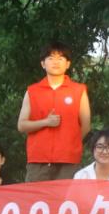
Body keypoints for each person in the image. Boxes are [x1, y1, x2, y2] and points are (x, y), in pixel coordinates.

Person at [18, 41, 92, 182]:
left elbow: (86, 126)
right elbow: (21, 125)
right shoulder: (32, 91)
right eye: (51, 58)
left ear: (68, 64)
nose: (56, 62)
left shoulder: (78, 90)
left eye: (61, 58)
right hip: (38, 159)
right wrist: (45, 122)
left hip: (68, 160)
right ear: (43, 63)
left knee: (66, 196)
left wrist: (70, 143)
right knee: (36, 196)